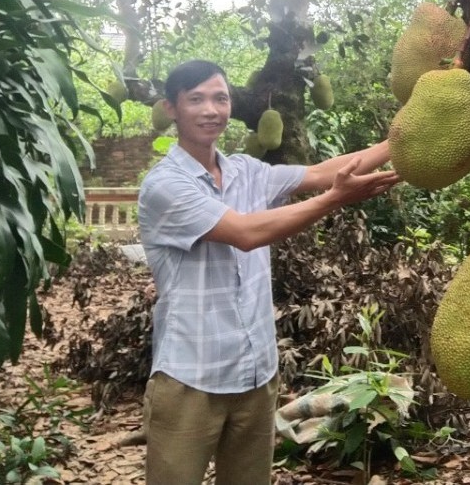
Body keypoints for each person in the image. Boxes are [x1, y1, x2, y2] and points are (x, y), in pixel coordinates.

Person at [136, 59, 399, 485]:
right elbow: (244, 232)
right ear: (171, 108)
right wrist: (335, 200)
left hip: (255, 372)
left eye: (220, 98)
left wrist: (399, 139)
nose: (211, 110)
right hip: (191, 375)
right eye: (196, 99)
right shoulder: (165, 186)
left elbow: (319, 173)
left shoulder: (245, 169)